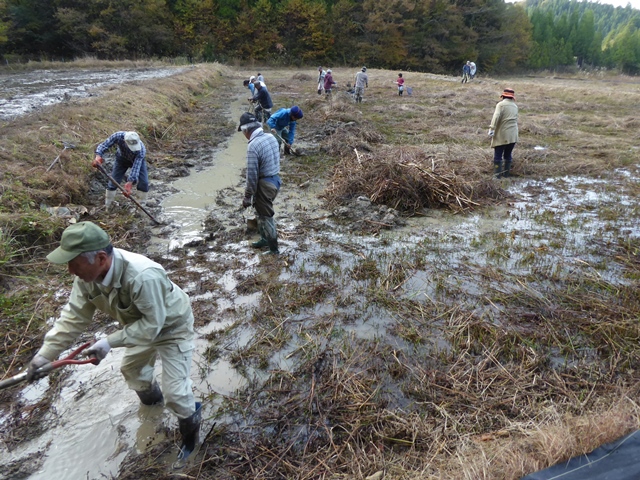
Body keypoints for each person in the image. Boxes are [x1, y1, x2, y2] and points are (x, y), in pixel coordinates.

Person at [25, 221, 201, 467]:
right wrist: (45, 355)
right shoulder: (86, 277)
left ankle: (191, 441)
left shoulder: (142, 275)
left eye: (73, 263)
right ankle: (154, 408)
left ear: (99, 258)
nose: (69, 270)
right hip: (138, 327)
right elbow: (73, 317)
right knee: (133, 371)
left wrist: (109, 342)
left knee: (177, 393)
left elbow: (153, 325)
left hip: (171, 327)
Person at [238, 112, 281, 255]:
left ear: (246, 130)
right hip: (275, 180)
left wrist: (247, 196)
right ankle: (264, 239)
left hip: (265, 185)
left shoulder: (253, 146)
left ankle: (274, 250)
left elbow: (251, 175)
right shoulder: (271, 137)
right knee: (261, 213)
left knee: (266, 217)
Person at [92, 131, 148, 210]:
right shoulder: (118, 136)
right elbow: (104, 145)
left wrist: (130, 183)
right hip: (121, 160)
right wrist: (98, 156)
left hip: (137, 161)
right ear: (125, 142)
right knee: (113, 182)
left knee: (144, 183)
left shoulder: (141, 150)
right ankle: (108, 207)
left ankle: (141, 207)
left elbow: (136, 168)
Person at [488, 88, 519, 178]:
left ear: (503, 96)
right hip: (513, 135)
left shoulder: (500, 105)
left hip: (502, 134)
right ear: (512, 97)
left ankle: (497, 176)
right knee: (508, 155)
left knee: (498, 155)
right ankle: (506, 175)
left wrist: (492, 128)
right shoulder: (515, 106)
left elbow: (496, 117)